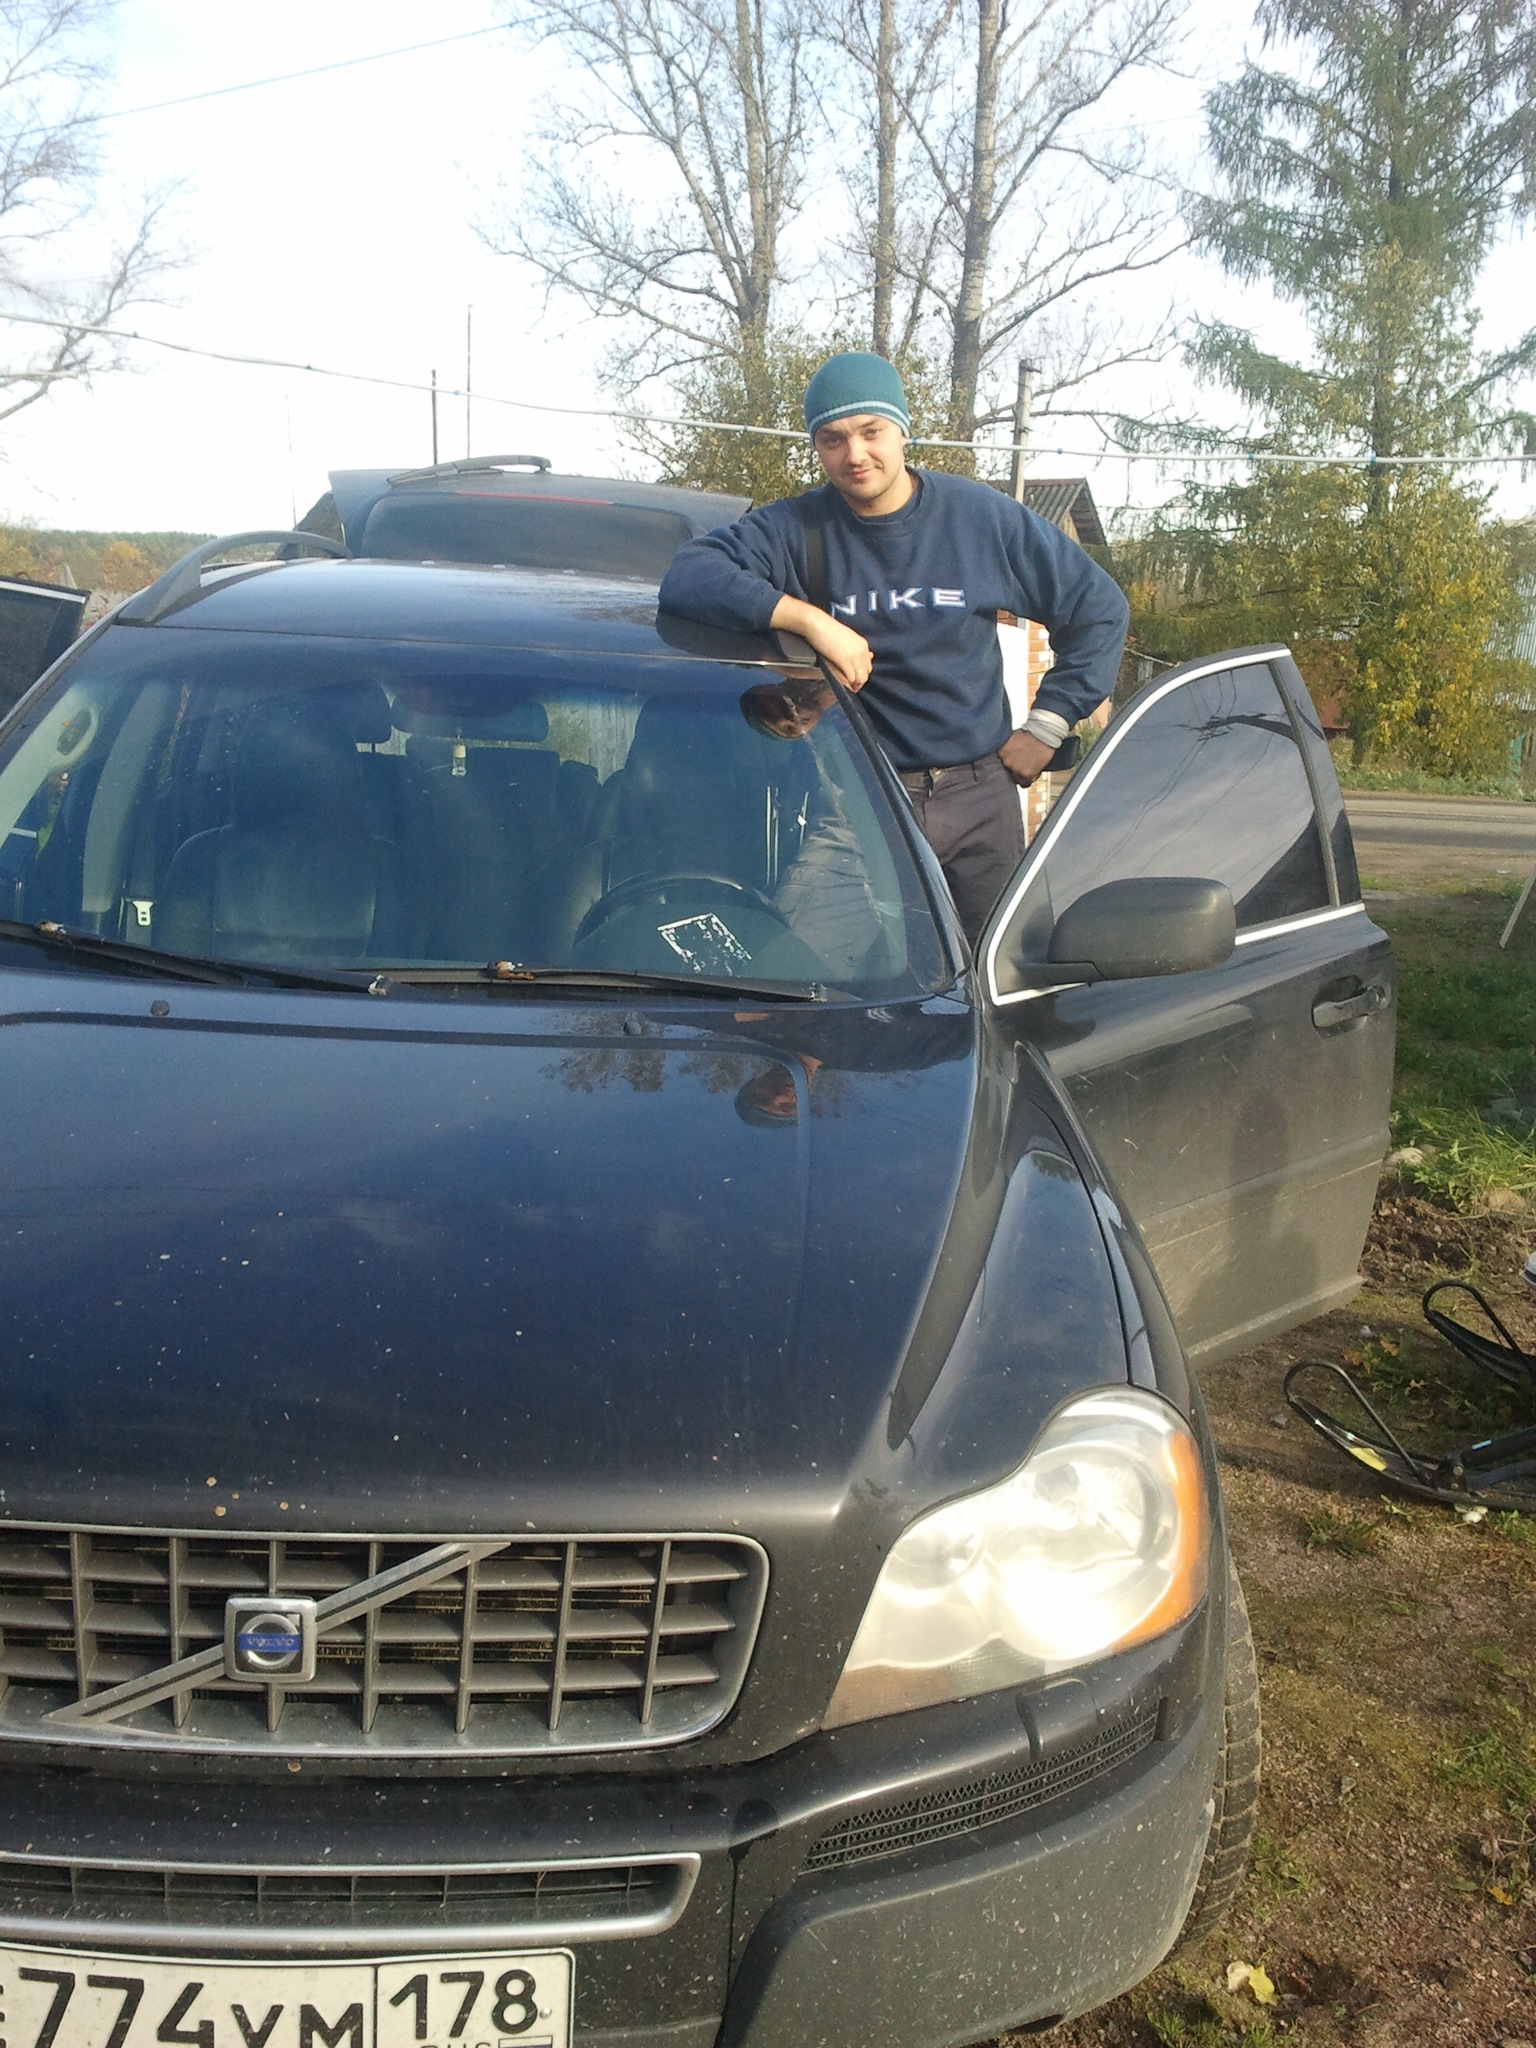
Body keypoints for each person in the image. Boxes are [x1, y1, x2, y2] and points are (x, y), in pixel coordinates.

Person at [657, 350, 1130, 943]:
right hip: (860, 800)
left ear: (903, 430)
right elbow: (689, 574)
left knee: (1001, 970)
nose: (854, 454)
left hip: (981, 798)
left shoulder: (978, 518)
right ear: (817, 447)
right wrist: (810, 620)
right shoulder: (797, 530)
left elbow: (1098, 609)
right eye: (832, 439)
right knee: (803, 963)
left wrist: (1048, 725)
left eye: (871, 431)